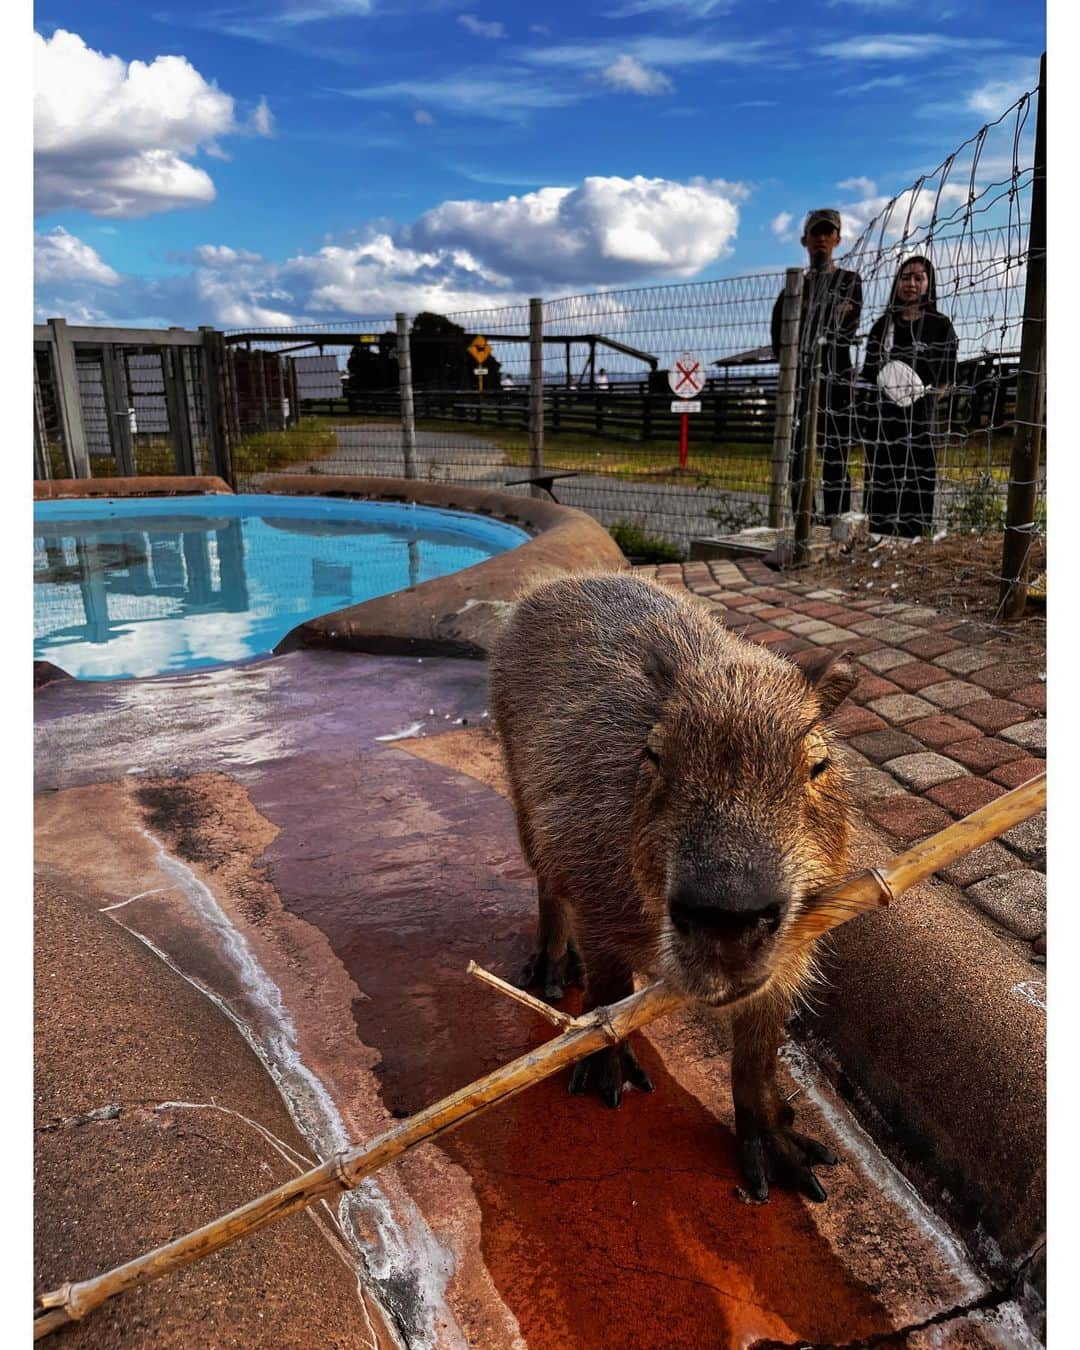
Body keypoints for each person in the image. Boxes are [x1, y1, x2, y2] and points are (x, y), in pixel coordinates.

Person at [771, 208, 863, 521]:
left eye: (828, 233)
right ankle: (803, 523)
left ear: (838, 239)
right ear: (804, 240)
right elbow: (781, 343)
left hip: (836, 383)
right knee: (798, 459)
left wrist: (811, 334)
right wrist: (822, 327)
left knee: (836, 458)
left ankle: (836, 523)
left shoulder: (849, 281)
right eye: (816, 233)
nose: (822, 239)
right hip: (799, 387)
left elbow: (844, 333)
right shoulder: (792, 290)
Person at [859, 255, 958, 538]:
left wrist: (923, 402)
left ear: (929, 284)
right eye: (905, 277)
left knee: (918, 482)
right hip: (884, 420)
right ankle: (878, 535)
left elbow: (947, 378)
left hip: (920, 420)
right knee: (882, 481)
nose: (911, 284)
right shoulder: (883, 327)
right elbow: (868, 375)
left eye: (919, 278)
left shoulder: (940, 326)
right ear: (897, 283)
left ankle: (915, 538)